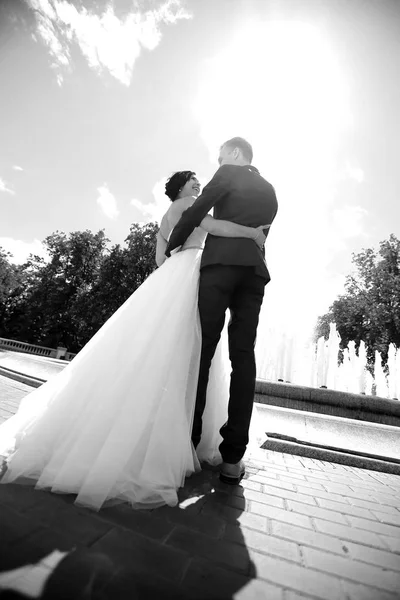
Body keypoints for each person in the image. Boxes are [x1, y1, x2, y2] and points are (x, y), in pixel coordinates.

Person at [0, 170, 267, 511]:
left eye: (199, 182)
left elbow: (160, 259)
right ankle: (185, 439)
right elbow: (215, 228)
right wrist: (250, 233)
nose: (198, 186)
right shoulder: (192, 205)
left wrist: (175, 267)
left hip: (173, 274)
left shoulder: (165, 216)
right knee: (193, 353)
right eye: (193, 181)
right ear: (181, 189)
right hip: (197, 273)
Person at [166, 138, 278, 485]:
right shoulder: (270, 190)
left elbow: (199, 211)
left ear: (233, 153)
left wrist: (173, 246)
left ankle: (189, 443)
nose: (217, 160)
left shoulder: (227, 172)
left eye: (220, 155)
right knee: (243, 357)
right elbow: (262, 236)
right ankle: (232, 459)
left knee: (203, 350)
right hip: (254, 272)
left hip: (219, 268)